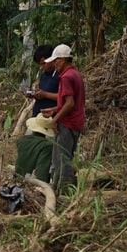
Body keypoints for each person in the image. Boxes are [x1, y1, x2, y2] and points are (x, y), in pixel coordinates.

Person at [47, 44, 86, 189]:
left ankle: (65, 191)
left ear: (62, 60)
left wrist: (55, 120)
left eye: (55, 60)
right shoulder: (75, 74)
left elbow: (69, 103)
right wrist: (55, 109)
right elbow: (71, 102)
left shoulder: (66, 77)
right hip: (75, 121)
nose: (54, 63)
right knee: (65, 157)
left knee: (61, 159)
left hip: (67, 123)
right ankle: (60, 189)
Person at [15, 114, 57, 183]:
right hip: (32, 181)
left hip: (17, 177)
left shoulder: (21, 140)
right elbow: (42, 170)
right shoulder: (47, 145)